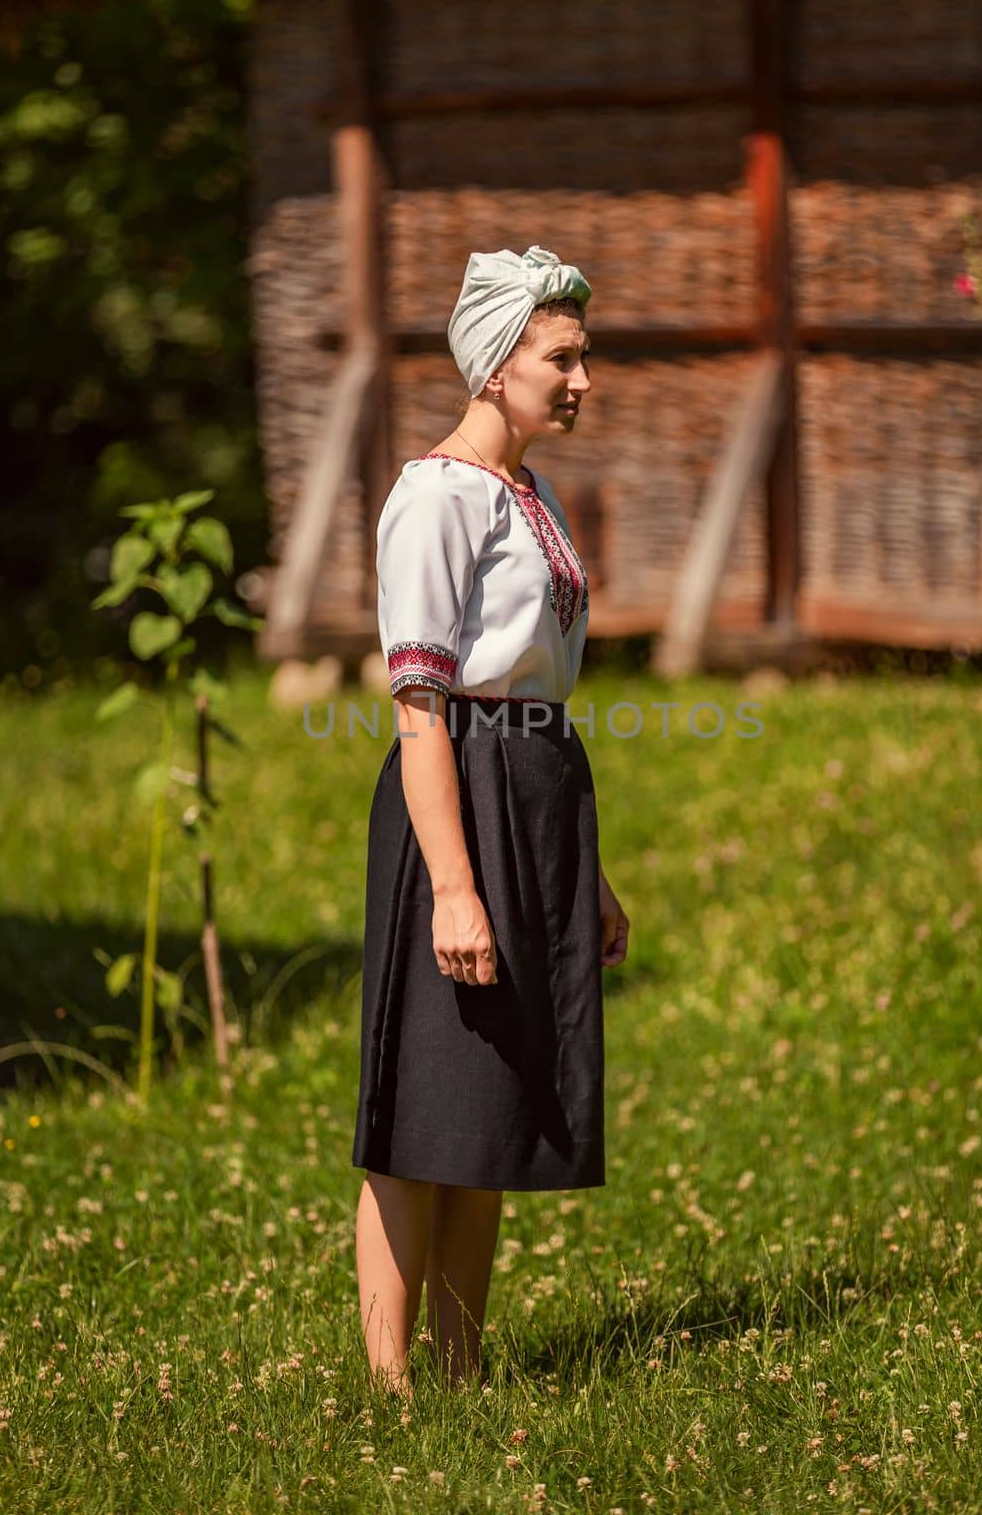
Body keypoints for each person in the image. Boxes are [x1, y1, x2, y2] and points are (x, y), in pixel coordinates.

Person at [351, 244, 630, 1397]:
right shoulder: (436, 496)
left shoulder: (531, 491)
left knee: (491, 1104)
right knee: (424, 1098)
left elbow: (542, 691)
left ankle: (462, 1377)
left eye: (581, 357)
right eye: (560, 357)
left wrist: (589, 873)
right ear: (496, 362)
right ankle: (389, 1387)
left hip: (534, 791)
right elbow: (422, 704)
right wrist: (454, 883)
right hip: (456, 796)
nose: (579, 378)